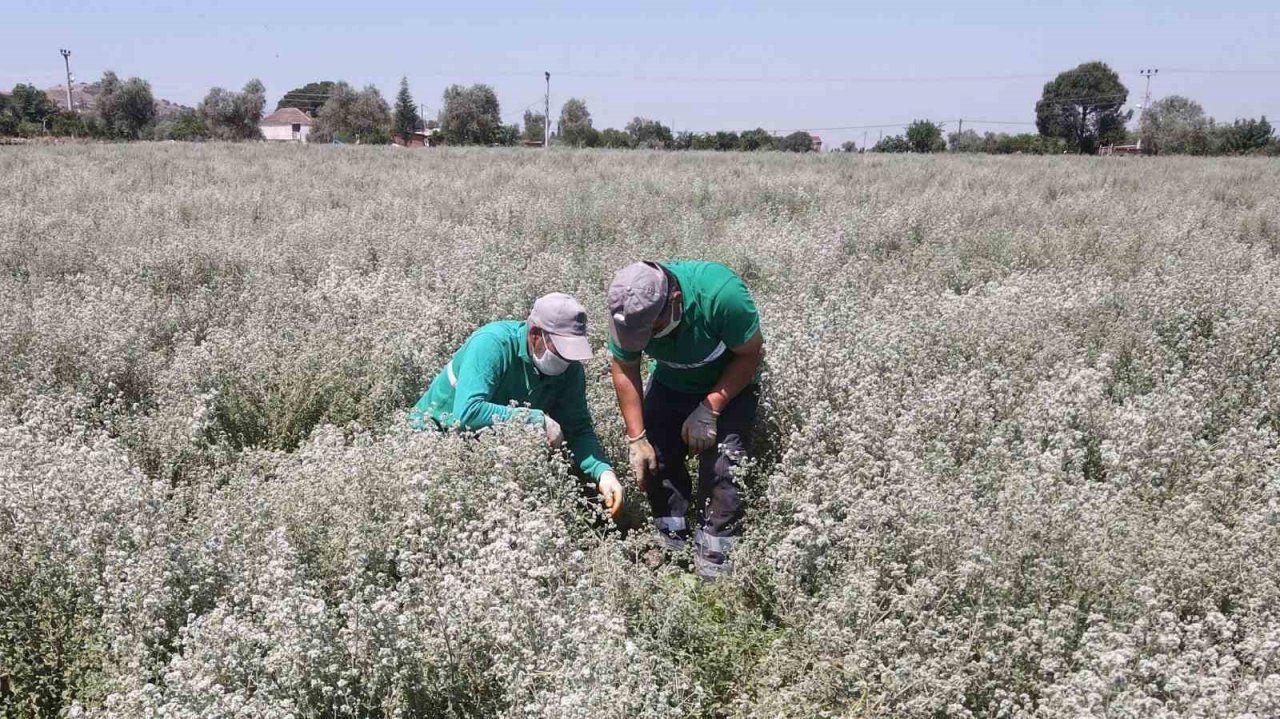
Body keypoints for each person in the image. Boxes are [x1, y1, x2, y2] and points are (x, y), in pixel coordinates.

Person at [606, 261, 764, 578]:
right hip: (671, 380)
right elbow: (624, 367)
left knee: (723, 468)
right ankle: (669, 543)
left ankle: (714, 563)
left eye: (650, 329)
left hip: (729, 383)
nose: (644, 338)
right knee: (656, 458)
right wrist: (637, 438)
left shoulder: (721, 295)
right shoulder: (626, 307)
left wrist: (711, 407)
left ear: (675, 298)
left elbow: (751, 354)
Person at [410, 293, 623, 518]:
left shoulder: (570, 369)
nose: (567, 360)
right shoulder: (492, 344)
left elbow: (578, 429)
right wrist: (537, 421)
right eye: (561, 349)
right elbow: (467, 413)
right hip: (432, 442)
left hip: (490, 454)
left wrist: (604, 473)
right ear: (534, 334)